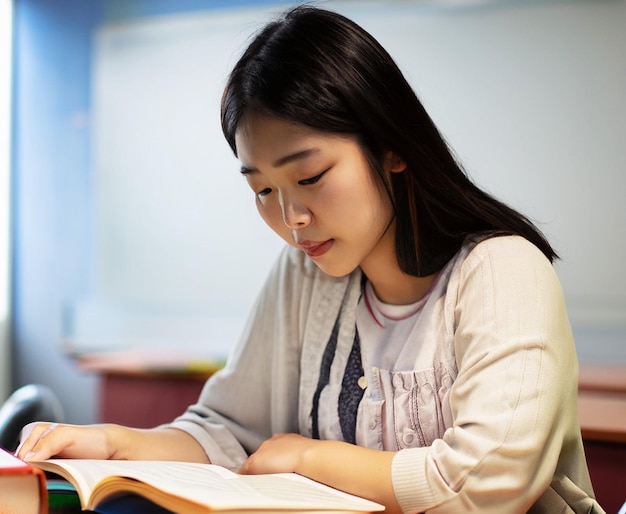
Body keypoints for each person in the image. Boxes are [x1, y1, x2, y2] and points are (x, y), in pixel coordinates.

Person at [16, 5, 603, 513]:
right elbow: (228, 430)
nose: (291, 217)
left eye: (310, 176)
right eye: (263, 191)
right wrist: (115, 444)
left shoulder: (502, 270)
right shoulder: (305, 274)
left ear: (392, 148)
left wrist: (307, 456)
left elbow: (487, 485)